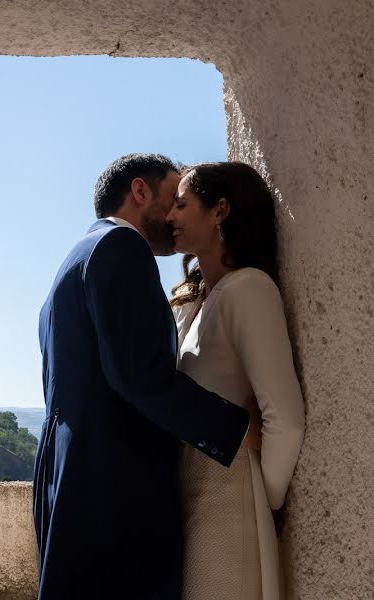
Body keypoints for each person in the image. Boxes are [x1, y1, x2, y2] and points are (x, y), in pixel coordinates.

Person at [33, 153, 250, 599]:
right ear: (139, 191)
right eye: (172, 199)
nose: (173, 217)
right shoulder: (120, 247)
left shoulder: (74, 260)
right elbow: (138, 376)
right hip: (116, 497)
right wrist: (236, 427)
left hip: (70, 488)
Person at [166, 162, 305, 600]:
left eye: (183, 205)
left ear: (220, 210)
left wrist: (268, 501)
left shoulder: (250, 290)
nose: (170, 216)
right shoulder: (196, 301)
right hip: (186, 494)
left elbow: (285, 417)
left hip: (230, 498)